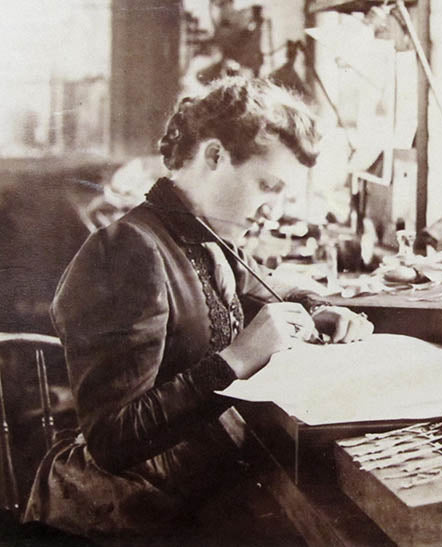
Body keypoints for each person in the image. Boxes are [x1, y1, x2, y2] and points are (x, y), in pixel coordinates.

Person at [23, 76, 373, 540]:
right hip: (123, 512)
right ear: (213, 156)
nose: (273, 209)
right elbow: (113, 441)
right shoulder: (128, 250)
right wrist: (238, 359)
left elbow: (266, 287)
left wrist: (318, 306)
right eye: (267, 186)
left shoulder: (205, 234)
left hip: (193, 482)